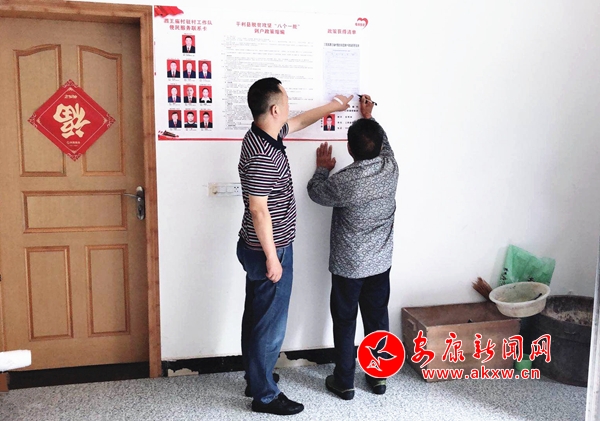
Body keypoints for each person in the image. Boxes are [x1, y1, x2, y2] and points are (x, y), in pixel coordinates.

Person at [237, 76, 352, 416]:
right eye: (286, 102)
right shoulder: (263, 154)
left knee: (257, 318)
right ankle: (265, 396)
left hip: (257, 247)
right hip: (269, 250)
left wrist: (334, 107)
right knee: (270, 327)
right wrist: (273, 259)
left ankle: (255, 377)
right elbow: (258, 210)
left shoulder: (264, 134)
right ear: (274, 109)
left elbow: (299, 121)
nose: (290, 108)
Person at [307, 94, 398, 400]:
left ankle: (344, 381)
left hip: (348, 267)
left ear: (348, 148)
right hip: (380, 264)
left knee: (345, 321)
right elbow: (385, 145)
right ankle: (378, 376)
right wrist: (368, 117)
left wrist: (322, 169)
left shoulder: (344, 181)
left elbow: (315, 192)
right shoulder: (390, 168)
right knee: (377, 319)